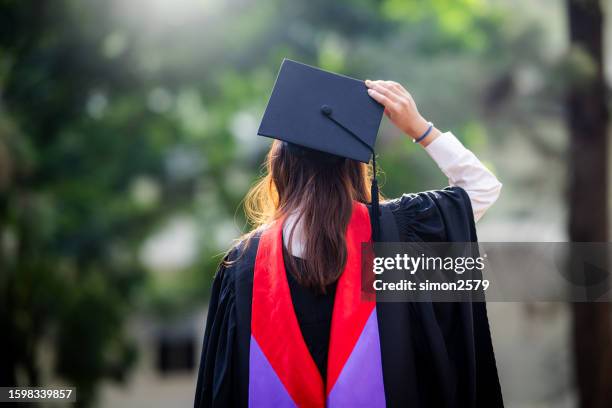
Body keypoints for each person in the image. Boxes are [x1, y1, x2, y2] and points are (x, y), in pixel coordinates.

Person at [195, 60, 503, 407]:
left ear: (280, 165)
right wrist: (419, 127)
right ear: (353, 168)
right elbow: (481, 187)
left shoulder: (242, 267)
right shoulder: (395, 235)